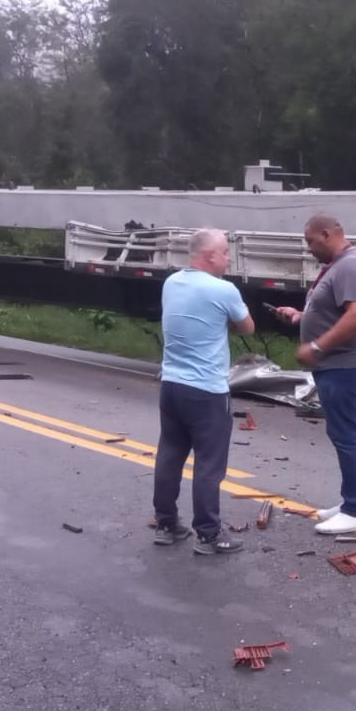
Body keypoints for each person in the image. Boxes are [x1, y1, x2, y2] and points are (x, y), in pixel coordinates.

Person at [274, 214, 356, 535]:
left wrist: (317, 347)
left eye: (310, 241)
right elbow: (333, 310)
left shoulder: (350, 266)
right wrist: (301, 316)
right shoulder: (338, 265)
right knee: (339, 432)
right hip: (336, 364)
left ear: (327, 234)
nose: (308, 248)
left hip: (347, 363)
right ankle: (350, 502)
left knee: (345, 434)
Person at [153, 229, 255, 556]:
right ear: (210, 255)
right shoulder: (223, 290)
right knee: (209, 465)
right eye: (225, 252)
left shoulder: (172, 283)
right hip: (207, 390)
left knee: (170, 454)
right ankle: (209, 535)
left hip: (171, 386)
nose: (229, 258)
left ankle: (167, 524)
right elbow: (248, 327)